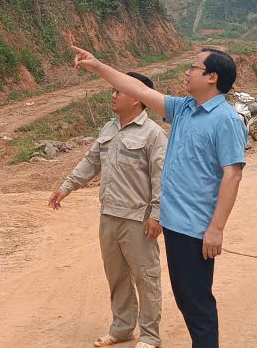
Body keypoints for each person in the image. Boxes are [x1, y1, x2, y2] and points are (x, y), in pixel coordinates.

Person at [71, 46, 246, 348]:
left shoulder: (225, 120)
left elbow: (233, 175)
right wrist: (98, 66)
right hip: (175, 224)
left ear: (212, 77)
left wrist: (216, 228)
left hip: (196, 227)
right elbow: (138, 89)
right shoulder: (184, 109)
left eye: (193, 67)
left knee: (197, 302)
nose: (187, 73)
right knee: (186, 298)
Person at [50, 71, 167, 348]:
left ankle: (150, 336)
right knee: (117, 276)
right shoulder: (109, 128)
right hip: (109, 216)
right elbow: (91, 161)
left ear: (137, 98)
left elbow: (162, 179)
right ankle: (122, 328)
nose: (113, 95)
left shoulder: (153, 134)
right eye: (113, 90)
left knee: (146, 276)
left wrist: (157, 215)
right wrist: (66, 187)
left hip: (138, 219)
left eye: (118, 91)